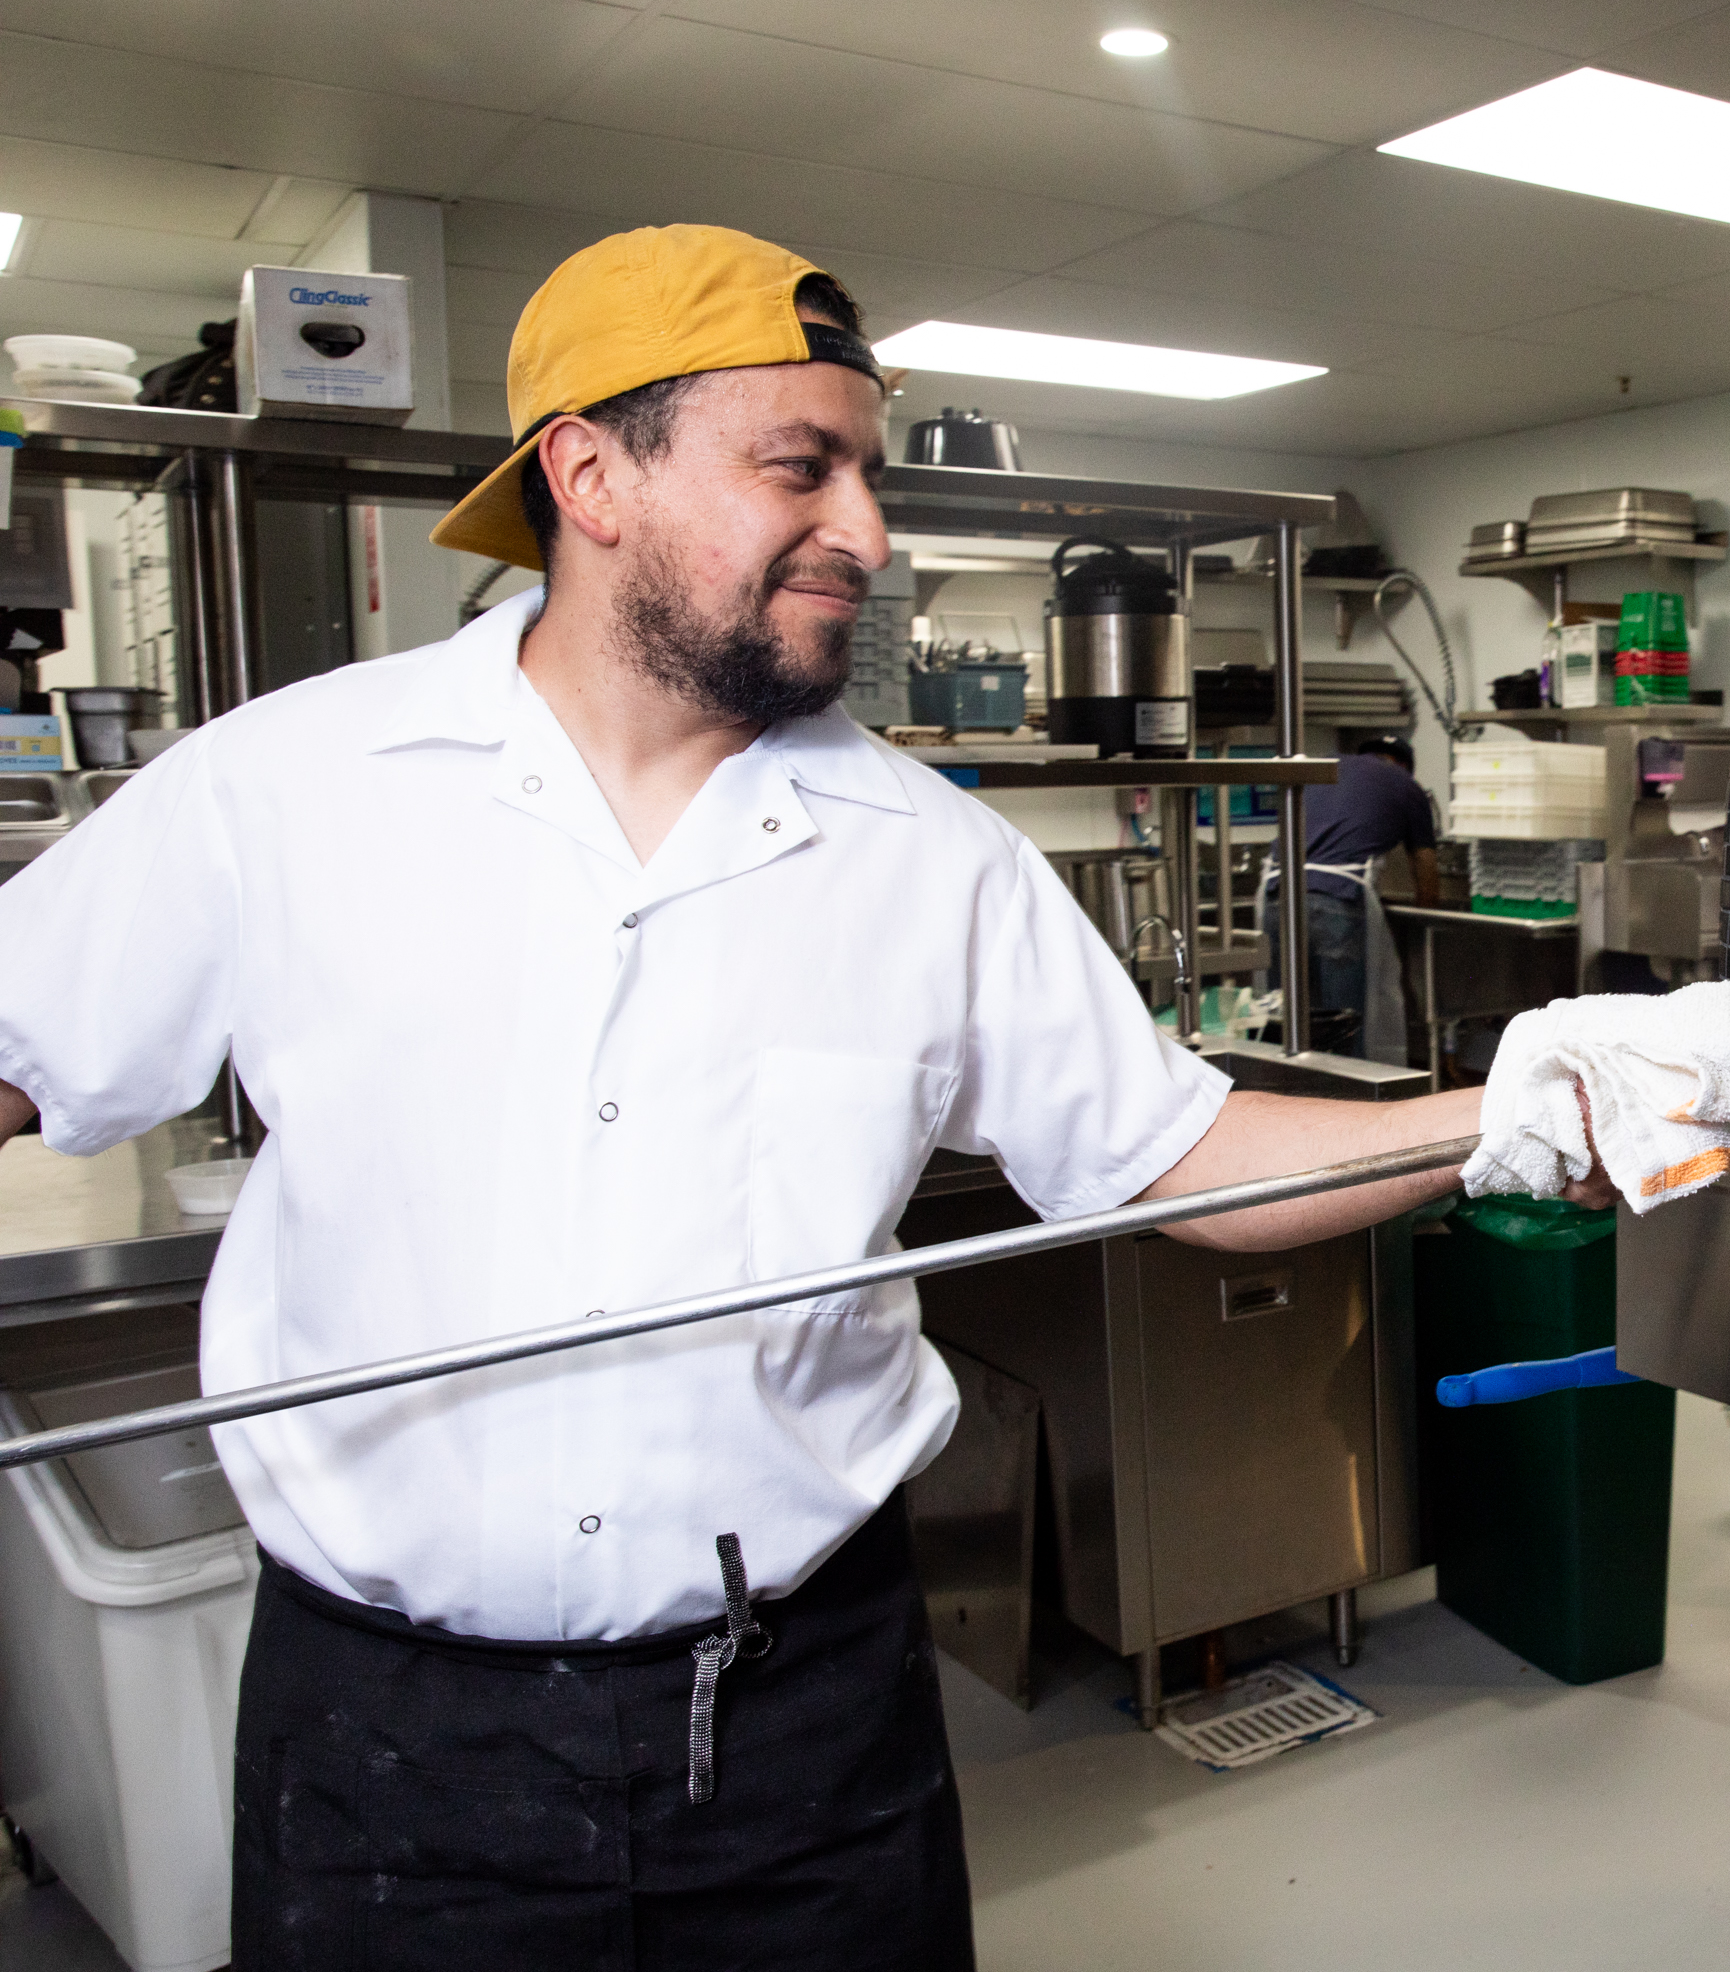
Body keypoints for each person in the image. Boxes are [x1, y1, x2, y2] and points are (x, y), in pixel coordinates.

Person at [0, 226, 1635, 1968]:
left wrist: (1512, 1104)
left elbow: (1180, 1157)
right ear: (589, 474)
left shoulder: (933, 859)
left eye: (866, 469)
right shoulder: (284, 792)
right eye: (801, 466)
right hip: (394, 1747)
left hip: (806, 1732)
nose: (867, 529)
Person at [1265, 732, 1437, 1060]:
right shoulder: (1406, 785)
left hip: (1277, 896)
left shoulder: (1327, 771)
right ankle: (1346, 1104)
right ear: (1404, 765)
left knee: (1284, 1023)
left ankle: (1288, 1102)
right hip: (1336, 902)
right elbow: (1425, 864)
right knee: (1343, 1027)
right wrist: (1427, 919)